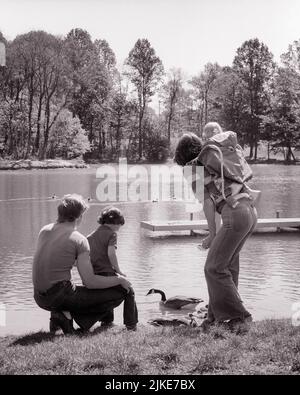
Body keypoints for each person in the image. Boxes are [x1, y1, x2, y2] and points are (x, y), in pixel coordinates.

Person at [175, 124, 258, 330]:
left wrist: (212, 235)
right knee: (227, 267)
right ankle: (215, 316)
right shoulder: (215, 161)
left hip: (235, 215)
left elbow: (208, 203)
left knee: (213, 267)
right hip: (249, 212)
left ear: (180, 155)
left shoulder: (192, 167)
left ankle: (240, 317)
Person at [32, 194, 138, 334]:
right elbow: (90, 282)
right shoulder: (79, 239)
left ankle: (62, 315)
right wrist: (119, 279)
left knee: (73, 287)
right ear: (79, 216)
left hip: (39, 297)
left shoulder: (44, 230)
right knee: (125, 290)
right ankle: (72, 317)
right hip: (60, 294)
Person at [87, 206, 138, 327]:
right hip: (107, 272)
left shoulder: (89, 237)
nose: (120, 228)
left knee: (107, 292)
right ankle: (131, 324)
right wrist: (119, 271)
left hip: (95, 274)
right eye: (120, 225)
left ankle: (107, 321)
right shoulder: (112, 234)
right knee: (129, 290)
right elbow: (111, 253)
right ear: (116, 223)